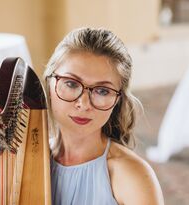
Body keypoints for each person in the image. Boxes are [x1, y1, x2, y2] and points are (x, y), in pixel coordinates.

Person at [43, 27, 164, 205]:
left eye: (102, 91)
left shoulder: (134, 175)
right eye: (71, 83)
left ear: (117, 100)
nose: (83, 104)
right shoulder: (28, 163)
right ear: (49, 82)